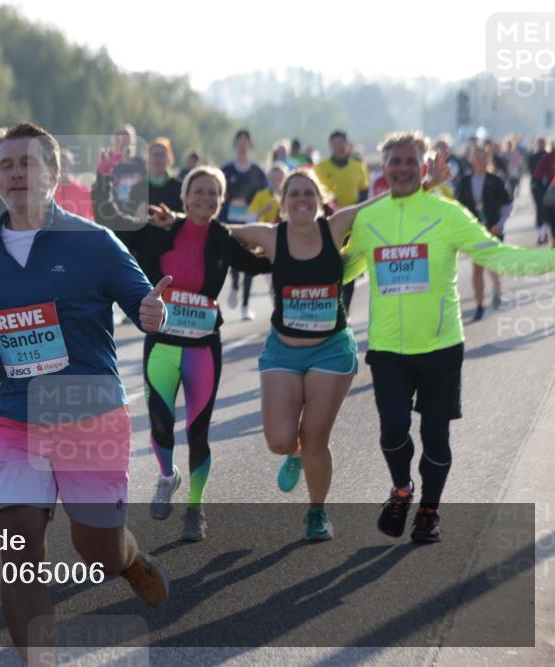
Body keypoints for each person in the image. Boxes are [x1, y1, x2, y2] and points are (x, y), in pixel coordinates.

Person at [0, 122, 170, 660]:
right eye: (7, 164)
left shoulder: (93, 242)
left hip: (88, 411)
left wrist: (151, 312)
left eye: (28, 163)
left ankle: (127, 557)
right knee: (19, 547)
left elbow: (142, 301)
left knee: (95, 551)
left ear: (53, 174)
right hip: (17, 416)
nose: (17, 173)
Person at [342, 131, 555, 543]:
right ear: (383, 169)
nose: (402, 168)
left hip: (441, 346)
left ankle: (429, 510)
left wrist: (550, 259)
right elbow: (345, 271)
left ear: (423, 169)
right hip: (387, 348)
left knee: (435, 436)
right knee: (392, 429)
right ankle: (401, 489)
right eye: (395, 162)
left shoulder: (447, 213)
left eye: (410, 162)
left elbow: (496, 255)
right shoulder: (370, 220)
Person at [229, 158, 448, 541]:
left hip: (330, 350)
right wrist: (169, 221)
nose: (301, 199)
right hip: (283, 351)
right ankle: (294, 455)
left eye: (308, 193)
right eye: (294, 194)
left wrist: (427, 184)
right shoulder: (269, 236)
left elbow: (388, 201)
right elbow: (212, 230)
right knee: (281, 440)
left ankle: (317, 512)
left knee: (315, 437)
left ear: (320, 199)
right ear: (283, 202)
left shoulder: (334, 228)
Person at [94, 162, 270, 541]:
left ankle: (195, 507)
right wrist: (106, 182)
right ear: (185, 196)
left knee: (198, 431)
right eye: (198, 191)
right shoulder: (161, 229)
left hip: (203, 348)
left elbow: (261, 263)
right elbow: (115, 226)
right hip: (162, 342)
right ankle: (166, 476)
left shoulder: (222, 237)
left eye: (212, 193)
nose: (205, 198)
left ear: (220, 201)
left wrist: (302, 235)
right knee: (159, 421)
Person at [315, 130, 371, 317]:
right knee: (330, 266)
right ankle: (328, 308)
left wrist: (356, 212)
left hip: (353, 223)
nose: (339, 147)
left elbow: (364, 192)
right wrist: (332, 207)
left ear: (347, 145)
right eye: (335, 143)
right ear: (330, 145)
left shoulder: (357, 167)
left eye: (342, 143)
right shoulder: (321, 168)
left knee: (349, 266)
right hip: (329, 223)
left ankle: (344, 311)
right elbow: (317, 195)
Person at [455, 146, 513, 321]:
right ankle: (480, 305)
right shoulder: (465, 181)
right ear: (472, 160)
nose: (481, 161)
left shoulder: (495, 180)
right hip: (474, 230)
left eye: (484, 158)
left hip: (493, 228)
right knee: (477, 267)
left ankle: (497, 288)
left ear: (489, 160)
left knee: (492, 264)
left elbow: (508, 204)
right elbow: (458, 206)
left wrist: (500, 223)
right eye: (477, 157)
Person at [220, 129, 269, 320]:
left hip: (250, 222)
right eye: (239, 140)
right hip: (231, 222)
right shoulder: (227, 169)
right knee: (233, 257)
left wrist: (260, 211)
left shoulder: (257, 171)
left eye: (245, 141)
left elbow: (265, 195)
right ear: (236, 144)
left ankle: (246, 306)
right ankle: (234, 284)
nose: (242, 144)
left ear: (250, 144)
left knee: (250, 259)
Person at [129, 137, 183, 213]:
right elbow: (129, 216)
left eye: (162, 155)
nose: (158, 159)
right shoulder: (137, 187)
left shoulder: (179, 187)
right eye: (155, 155)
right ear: (148, 158)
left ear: (169, 158)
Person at [108, 123, 147, 215]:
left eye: (127, 140)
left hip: (137, 214)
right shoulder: (109, 165)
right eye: (121, 139)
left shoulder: (142, 164)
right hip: (116, 215)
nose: (124, 143)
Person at [53, 148, 94, 220]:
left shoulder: (84, 191)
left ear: (71, 167)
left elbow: (92, 217)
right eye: (59, 165)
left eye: (64, 164)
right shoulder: (50, 192)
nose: (62, 168)